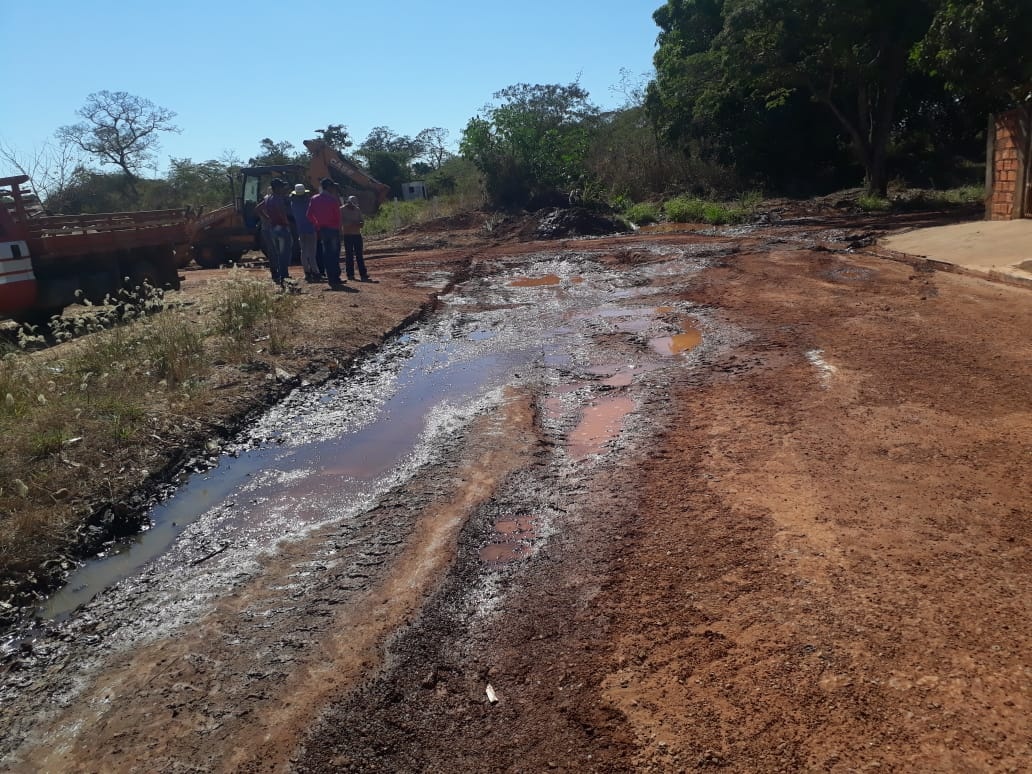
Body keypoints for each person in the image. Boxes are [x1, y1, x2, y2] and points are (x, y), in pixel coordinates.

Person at [254, 178, 293, 285]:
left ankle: (279, 275)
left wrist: (267, 218)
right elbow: (281, 212)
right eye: (281, 186)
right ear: (277, 188)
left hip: (272, 228)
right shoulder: (279, 199)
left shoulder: (267, 199)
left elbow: (257, 209)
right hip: (281, 227)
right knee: (284, 253)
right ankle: (284, 275)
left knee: (276, 253)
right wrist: (286, 222)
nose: (283, 188)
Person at [306, 178, 344, 286]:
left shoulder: (314, 199)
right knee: (334, 254)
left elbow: (309, 215)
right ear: (329, 187)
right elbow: (338, 217)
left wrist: (317, 224)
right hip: (333, 229)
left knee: (326, 254)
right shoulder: (332, 200)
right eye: (332, 186)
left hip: (322, 230)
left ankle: (330, 278)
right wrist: (340, 230)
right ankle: (335, 277)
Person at [289, 183, 320, 282]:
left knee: (303, 251)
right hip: (310, 229)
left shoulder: (293, 203)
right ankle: (315, 272)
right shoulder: (309, 202)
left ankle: (307, 272)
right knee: (312, 252)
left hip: (300, 230)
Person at [340, 195, 370, 282]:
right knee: (349, 255)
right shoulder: (341, 210)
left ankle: (363, 273)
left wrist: (359, 223)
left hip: (357, 234)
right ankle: (350, 274)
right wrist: (351, 223)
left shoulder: (357, 209)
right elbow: (341, 222)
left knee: (359, 255)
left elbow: (362, 222)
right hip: (347, 235)